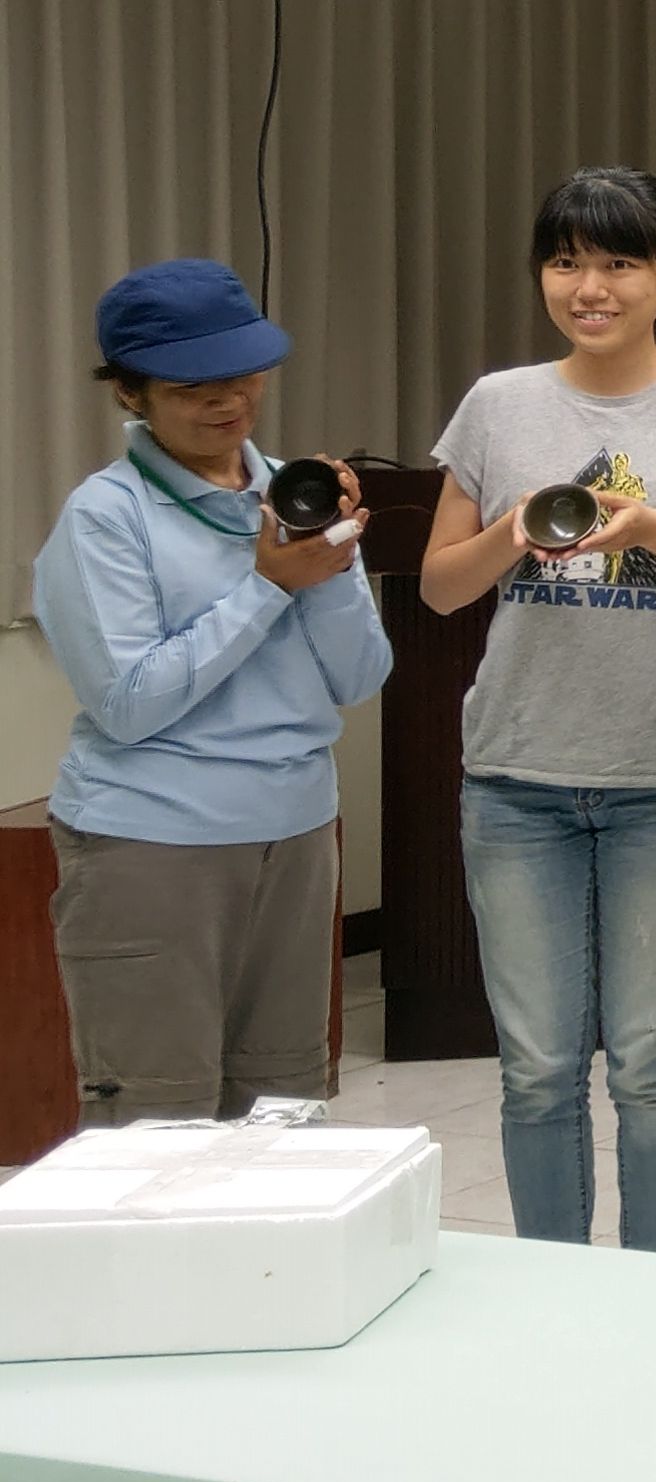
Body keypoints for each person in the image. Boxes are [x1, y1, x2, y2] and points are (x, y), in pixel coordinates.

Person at [418, 166, 656, 1253]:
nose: (590, 287)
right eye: (566, 261)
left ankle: (651, 1291)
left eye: (620, 262)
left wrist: (651, 528)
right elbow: (440, 587)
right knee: (537, 1069)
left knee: (650, 1067)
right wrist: (516, 529)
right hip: (516, 777)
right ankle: (553, 1288)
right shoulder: (498, 404)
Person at [36, 258, 389, 1126]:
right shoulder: (105, 515)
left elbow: (359, 677)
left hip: (296, 834)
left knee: (284, 1108)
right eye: (191, 386)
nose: (228, 400)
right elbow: (128, 704)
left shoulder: (294, 494)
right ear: (130, 393)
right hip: (152, 843)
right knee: (158, 1124)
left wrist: (328, 563)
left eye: (242, 374)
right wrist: (267, 587)